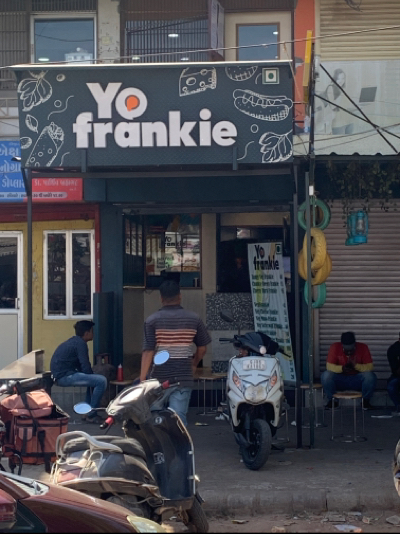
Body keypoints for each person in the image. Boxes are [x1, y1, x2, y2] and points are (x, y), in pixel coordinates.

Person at [140, 280, 211, 426]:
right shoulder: (194, 318)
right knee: (178, 419)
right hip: (183, 376)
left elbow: (148, 351)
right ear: (180, 296)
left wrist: (142, 380)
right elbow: (202, 348)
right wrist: (194, 364)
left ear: (161, 298)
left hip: (158, 378)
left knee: (154, 417)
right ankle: (179, 441)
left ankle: (158, 439)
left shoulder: (152, 321)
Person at [50, 320, 107, 423]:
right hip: (64, 377)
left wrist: (91, 377)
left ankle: (86, 413)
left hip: (61, 375)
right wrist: (92, 377)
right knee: (101, 381)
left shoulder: (75, 342)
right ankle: (91, 414)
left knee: (94, 381)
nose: (93, 334)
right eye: (92, 331)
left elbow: (81, 366)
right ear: (86, 333)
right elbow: (85, 365)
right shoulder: (80, 344)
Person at [321, 331, 377, 410]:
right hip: (340, 379)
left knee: (370, 376)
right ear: (342, 346)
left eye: (351, 350)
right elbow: (329, 366)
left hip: (357, 380)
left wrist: (356, 366)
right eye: (346, 350)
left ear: (355, 345)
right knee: (326, 375)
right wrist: (342, 368)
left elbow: (370, 367)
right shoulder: (335, 347)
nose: (349, 352)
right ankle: (332, 401)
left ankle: (365, 401)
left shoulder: (363, 347)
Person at [387, 333, 400, 416]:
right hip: (398, 376)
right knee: (391, 385)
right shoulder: (393, 349)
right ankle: (399, 406)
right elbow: (396, 371)